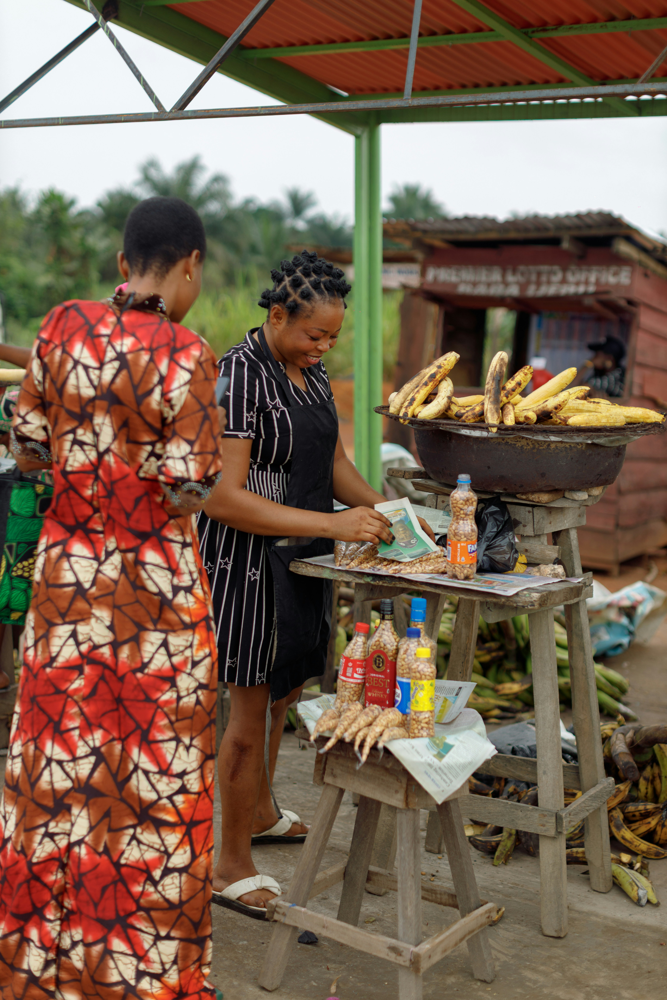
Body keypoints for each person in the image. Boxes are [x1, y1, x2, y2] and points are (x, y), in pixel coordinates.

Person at [0, 196, 223, 1000]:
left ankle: (43, 973)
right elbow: (191, 483)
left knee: (57, 780)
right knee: (150, 792)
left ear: (123, 265)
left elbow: (24, 442)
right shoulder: (190, 354)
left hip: (65, 594)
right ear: (189, 265)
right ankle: (139, 976)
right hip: (154, 605)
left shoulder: (60, 327)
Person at [199, 250, 434, 918]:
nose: (322, 347)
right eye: (312, 334)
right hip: (246, 562)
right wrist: (334, 526)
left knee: (285, 691)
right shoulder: (236, 377)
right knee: (246, 711)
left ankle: (263, 810)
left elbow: (331, 460)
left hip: (302, 556)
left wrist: (389, 518)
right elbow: (221, 497)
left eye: (331, 337)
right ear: (276, 316)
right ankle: (228, 862)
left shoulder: (307, 368)